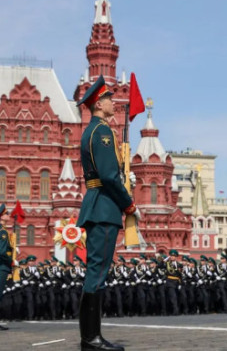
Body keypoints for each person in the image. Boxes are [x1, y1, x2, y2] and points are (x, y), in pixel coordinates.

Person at [76, 75, 140, 351]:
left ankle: (91, 337)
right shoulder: (101, 132)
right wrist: (128, 203)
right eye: (109, 99)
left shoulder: (94, 130)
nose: (114, 103)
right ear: (99, 103)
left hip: (99, 203)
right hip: (104, 206)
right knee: (97, 272)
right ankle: (91, 338)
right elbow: (110, 176)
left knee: (97, 271)